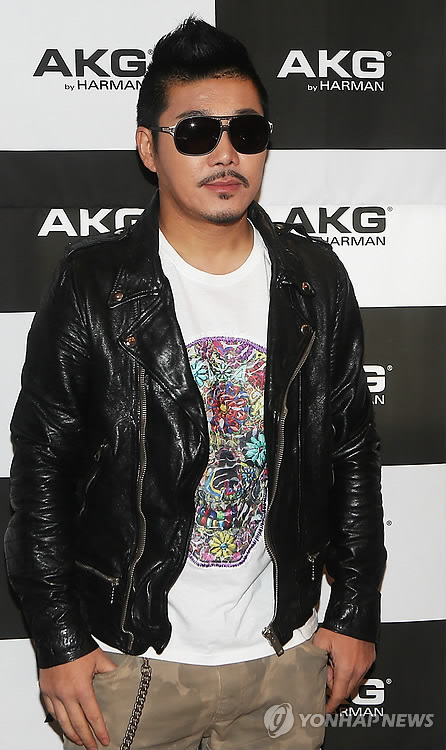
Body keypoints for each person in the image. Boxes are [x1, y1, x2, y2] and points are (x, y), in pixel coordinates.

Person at [4, 16, 386, 750]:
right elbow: (43, 469)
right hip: (130, 660)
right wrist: (58, 639)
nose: (225, 152)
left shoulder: (314, 280)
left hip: (285, 657)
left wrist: (355, 611)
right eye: (196, 132)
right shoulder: (94, 286)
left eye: (248, 131)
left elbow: (351, 452)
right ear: (149, 148)